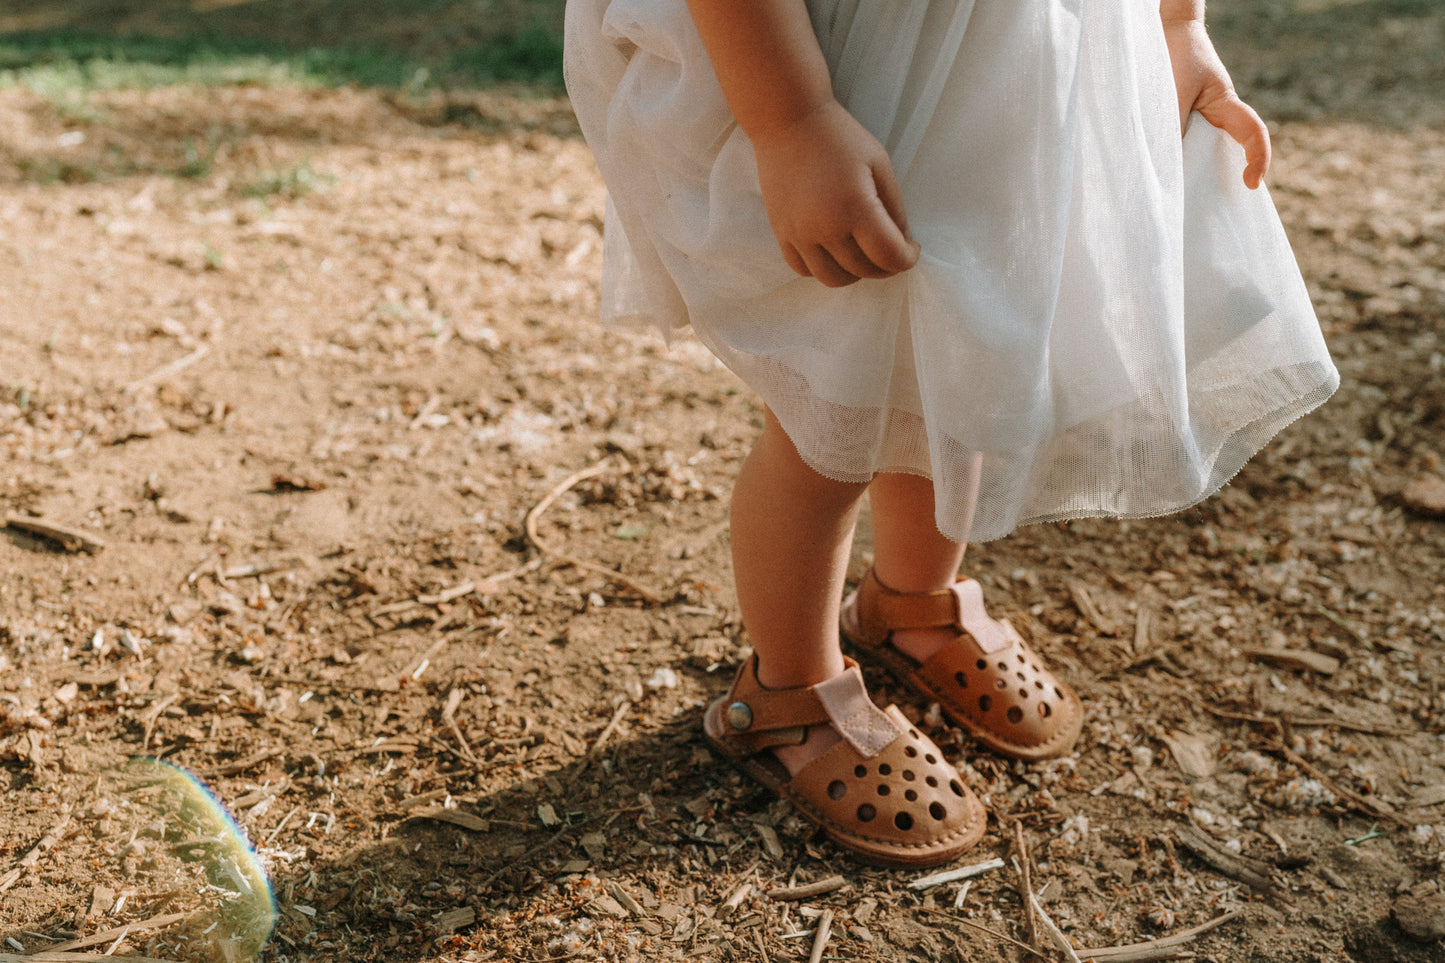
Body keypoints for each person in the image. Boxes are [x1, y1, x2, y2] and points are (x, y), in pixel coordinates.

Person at [563, 0, 1338, 867]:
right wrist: (792, 122)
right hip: (837, 71)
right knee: (835, 403)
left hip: (1017, 72)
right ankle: (787, 687)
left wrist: (1174, 27)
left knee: (966, 359)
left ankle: (908, 598)